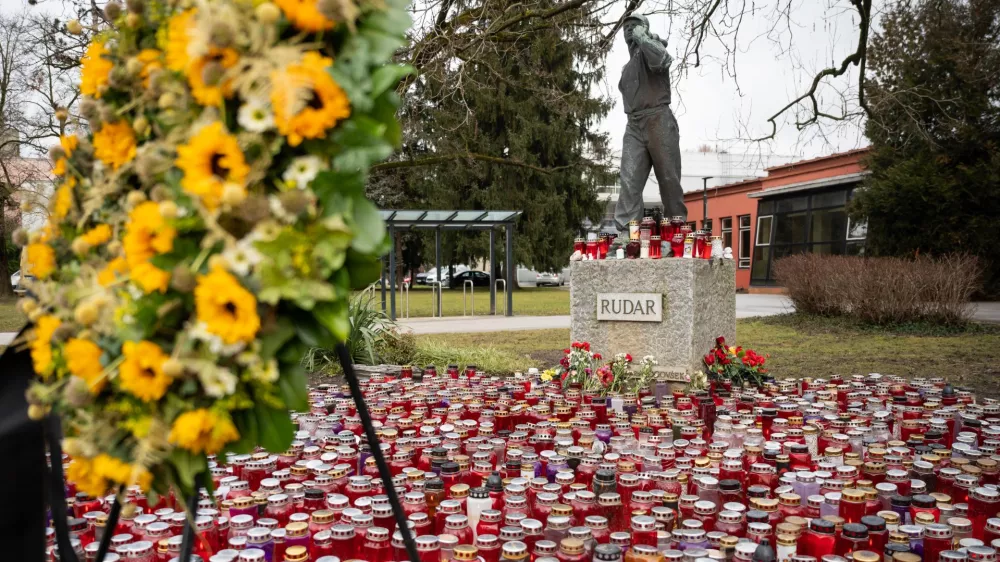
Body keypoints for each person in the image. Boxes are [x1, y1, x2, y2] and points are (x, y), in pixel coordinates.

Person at [615, 14, 687, 234]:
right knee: (629, 181)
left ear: (644, 28)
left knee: (668, 179)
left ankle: (675, 231)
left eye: (634, 25)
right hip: (634, 124)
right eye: (626, 26)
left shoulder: (653, 48)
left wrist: (644, 38)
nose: (629, 29)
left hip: (658, 119)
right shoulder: (628, 67)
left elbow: (663, 60)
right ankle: (628, 234)